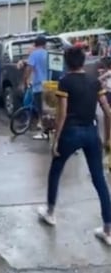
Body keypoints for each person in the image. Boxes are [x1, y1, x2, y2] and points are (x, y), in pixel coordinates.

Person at [38, 46, 111, 246]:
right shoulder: (94, 82)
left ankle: (51, 212)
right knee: (99, 180)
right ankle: (107, 229)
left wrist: (56, 139)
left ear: (67, 62)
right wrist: (107, 138)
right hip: (91, 132)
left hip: (71, 132)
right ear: (83, 60)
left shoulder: (65, 81)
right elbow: (108, 111)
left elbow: (62, 113)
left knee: (55, 171)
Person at [23, 35, 49, 140]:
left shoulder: (34, 55)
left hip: (38, 86)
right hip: (48, 85)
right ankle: (47, 130)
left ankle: (43, 132)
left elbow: (29, 68)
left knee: (40, 110)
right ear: (44, 44)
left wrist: (25, 80)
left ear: (35, 44)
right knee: (47, 110)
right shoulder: (48, 54)